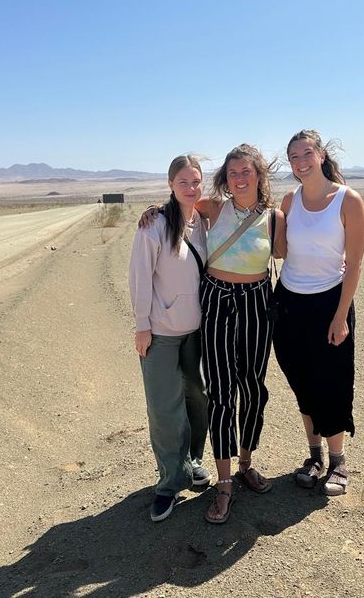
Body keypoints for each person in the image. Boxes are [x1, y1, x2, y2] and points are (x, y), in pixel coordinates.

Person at [139, 143, 286, 524]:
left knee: (253, 387)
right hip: (217, 302)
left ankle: (245, 463)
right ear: (225, 178)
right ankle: (222, 483)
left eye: (246, 172)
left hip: (256, 302)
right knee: (220, 392)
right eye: (232, 172)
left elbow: (290, 255)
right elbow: (180, 205)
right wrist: (154, 209)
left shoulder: (274, 218)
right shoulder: (213, 208)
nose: (239, 178)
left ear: (259, 175)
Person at [272, 129, 364, 497]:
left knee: (334, 383)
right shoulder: (289, 200)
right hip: (289, 304)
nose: (300, 162)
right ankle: (313, 457)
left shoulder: (348, 200)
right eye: (293, 157)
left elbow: (355, 264)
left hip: (330, 303)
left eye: (306, 153)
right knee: (303, 383)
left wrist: (341, 315)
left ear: (322, 155)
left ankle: (338, 460)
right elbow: (279, 251)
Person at [128, 154, 211, 522]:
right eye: (183, 182)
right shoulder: (154, 226)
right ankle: (168, 483)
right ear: (170, 185)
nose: (191, 188)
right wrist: (142, 325)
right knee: (164, 410)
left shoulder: (205, 223)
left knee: (197, 398)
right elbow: (139, 277)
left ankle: (192, 461)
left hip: (196, 332)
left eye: (196, 181)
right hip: (160, 335)